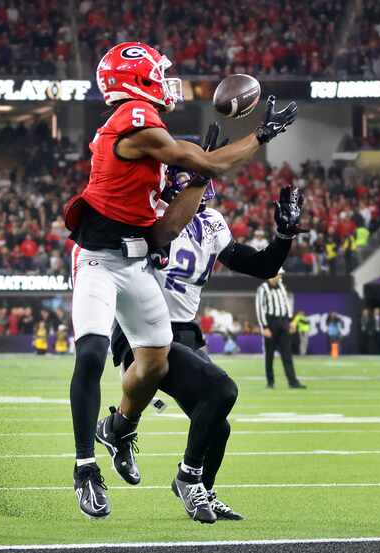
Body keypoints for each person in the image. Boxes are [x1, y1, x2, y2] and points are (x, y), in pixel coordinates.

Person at [65, 41, 297, 519]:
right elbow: (209, 164)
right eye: (157, 74)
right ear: (138, 79)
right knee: (89, 353)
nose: (165, 82)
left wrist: (197, 179)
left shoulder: (196, 209)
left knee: (155, 365)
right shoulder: (132, 117)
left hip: (136, 266)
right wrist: (260, 135)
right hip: (98, 260)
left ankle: (123, 429)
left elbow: (166, 230)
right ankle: (85, 468)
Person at [110, 176, 304, 523]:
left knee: (219, 425)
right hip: (142, 332)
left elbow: (261, 266)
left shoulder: (211, 223)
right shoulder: (148, 215)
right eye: (192, 189)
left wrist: (284, 237)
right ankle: (186, 476)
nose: (200, 197)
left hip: (183, 333)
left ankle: (204, 490)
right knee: (222, 389)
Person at [256, 270, 306, 389]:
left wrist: (290, 322)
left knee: (287, 354)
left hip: (283, 322)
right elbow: (260, 309)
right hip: (271, 322)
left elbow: (286, 305)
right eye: (279, 274)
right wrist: (265, 327)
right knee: (269, 355)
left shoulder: (282, 287)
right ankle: (270, 382)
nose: (280, 276)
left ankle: (292, 381)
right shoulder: (262, 288)